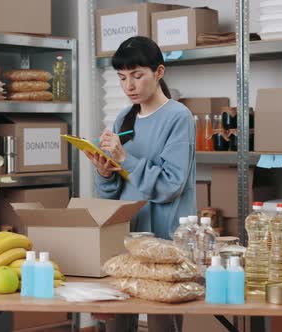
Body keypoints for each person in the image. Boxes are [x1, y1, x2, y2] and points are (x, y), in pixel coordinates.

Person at [85, 36, 196, 332]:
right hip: (128, 235)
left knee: (163, 321)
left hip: (165, 239)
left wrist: (126, 159)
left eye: (137, 76)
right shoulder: (124, 117)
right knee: (120, 316)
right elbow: (114, 192)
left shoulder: (178, 117)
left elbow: (172, 185)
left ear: (159, 72)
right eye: (122, 78)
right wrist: (106, 172)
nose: (128, 86)